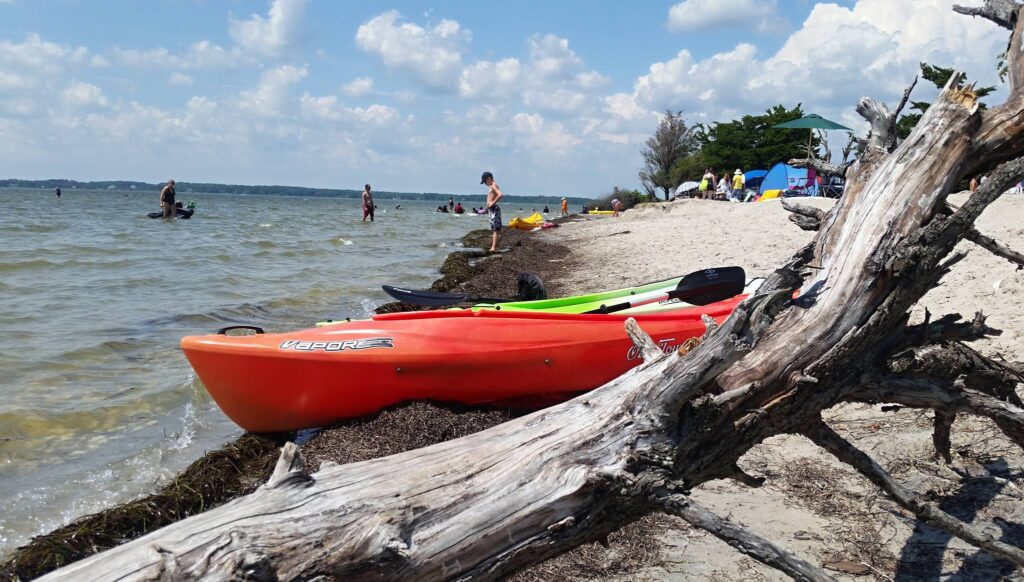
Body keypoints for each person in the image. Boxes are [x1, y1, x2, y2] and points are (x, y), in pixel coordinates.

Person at [481, 171, 503, 252]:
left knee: (495, 229)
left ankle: (493, 247)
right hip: (492, 209)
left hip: (494, 209)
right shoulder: (492, 185)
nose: (485, 184)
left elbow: (500, 195)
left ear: (489, 178)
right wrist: (487, 209)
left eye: (485, 181)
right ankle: (497, 246)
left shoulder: (493, 185)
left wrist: (492, 203)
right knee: (496, 229)